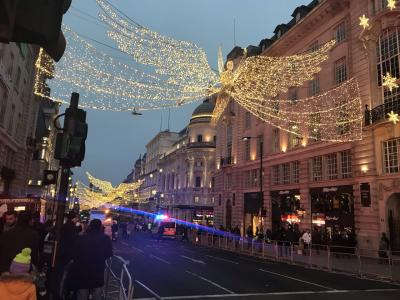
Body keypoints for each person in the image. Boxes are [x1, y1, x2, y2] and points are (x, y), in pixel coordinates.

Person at [68, 219, 113, 300]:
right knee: (97, 294)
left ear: (90, 226)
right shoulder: (105, 239)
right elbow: (109, 254)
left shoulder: (82, 238)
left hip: (82, 271)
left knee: (82, 294)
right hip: (98, 271)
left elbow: (74, 254)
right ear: (100, 227)